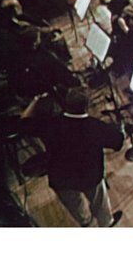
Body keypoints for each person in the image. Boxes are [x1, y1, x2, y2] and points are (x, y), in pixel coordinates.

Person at [18, 87, 124, 227]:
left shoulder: (51, 124)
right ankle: (106, 223)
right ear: (86, 106)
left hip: (61, 178)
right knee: (99, 201)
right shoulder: (95, 126)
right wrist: (120, 127)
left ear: (66, 104)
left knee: (75, 205)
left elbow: (23, 123)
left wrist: (35, 100)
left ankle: (85, 222)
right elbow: (118, 142)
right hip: (90, 176)